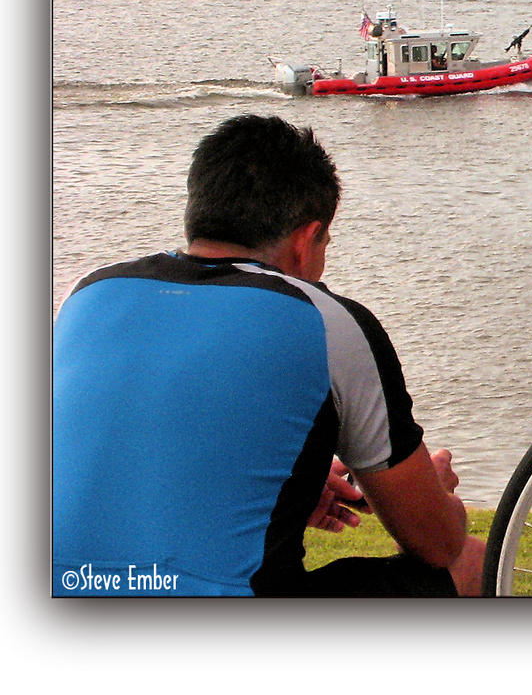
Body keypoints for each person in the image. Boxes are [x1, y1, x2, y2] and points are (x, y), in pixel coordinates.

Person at [53, 114, 484, 596]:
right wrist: (441, 495)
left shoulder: (87, 293)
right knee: (471, 562)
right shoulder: (329, 320)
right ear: (307, 240)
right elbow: (436, 543)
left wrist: (293, 489)